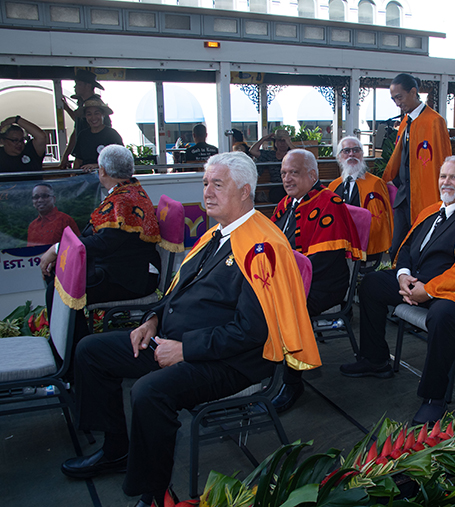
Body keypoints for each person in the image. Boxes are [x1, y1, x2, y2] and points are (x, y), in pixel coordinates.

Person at [59, 152, 320, 507]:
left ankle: (153, 494)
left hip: (231, 360)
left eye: (217, 184)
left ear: (245, 191)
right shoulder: (218, 233)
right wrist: (152, 319)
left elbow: (250, 332)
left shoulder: (263, 249)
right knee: (91, 351)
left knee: (150, 392)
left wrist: (184, 350)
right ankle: (115, 449)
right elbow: (177, 290)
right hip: (179, 341)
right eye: (205, 183)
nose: (207, 192)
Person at [341, 156, 455, 424]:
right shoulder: (432, 210)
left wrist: (428, 291)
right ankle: (376, 361)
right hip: (419, 282)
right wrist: (403, 275)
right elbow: (408, 247)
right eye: (443, 176)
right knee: (373, 284)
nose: (447, 182)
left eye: (454, 177)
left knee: (442, 316)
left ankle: (435, 398)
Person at [270, 149, 363, 412]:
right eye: (283, 174)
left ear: (312, 175)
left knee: (287, 308)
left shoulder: (328, 203)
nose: (287, 179)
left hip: (324, 284)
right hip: (290, 279)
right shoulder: (288, 203)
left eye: (294, 173)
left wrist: (281, 279)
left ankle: (292, 383)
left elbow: (320, 263)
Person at [40, 145, 160, 307]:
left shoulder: (123, 201)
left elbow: (103, 244)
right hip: (124, 267)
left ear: (102, 170)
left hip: (131, 278)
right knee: (60, 275)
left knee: (58, 289)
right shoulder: (129, 190)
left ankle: (75, 333)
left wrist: (58, 249)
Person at [383, 73, 452, 258]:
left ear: (413, 92)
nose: (397, 103)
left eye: (399, 97)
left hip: (425, 195)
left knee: (421, 245)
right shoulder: (406, 121)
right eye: (393, 99)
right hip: (405, 197)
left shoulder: (435, 121)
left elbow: (445, 161)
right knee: (396, 246)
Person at [327, 136, 393, 258]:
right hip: (338, 246)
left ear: (362, 155)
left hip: (366, 246)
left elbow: (381, 221)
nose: (352, 154)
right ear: (339, 157)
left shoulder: (375, 183)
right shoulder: (333, 186)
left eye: (356, 150)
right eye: (346, 151)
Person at [59, 69, 112, 169]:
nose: (75, 87)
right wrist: (66, 156)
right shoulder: (83, 133)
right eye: (88, 114)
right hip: (85, 163)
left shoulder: (96, 104)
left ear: (88, 85)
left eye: (78, 84)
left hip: (96, 164)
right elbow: (76, 132)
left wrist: (66, 108)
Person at [72, 97, 123, 170]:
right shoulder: (82, 135)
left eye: (97, 113)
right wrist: (74, 176)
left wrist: (97, 165)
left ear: (103, 115)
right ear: (85, 117)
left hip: (107, 176)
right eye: (89, 114)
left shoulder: (112, 134)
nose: (93, 118)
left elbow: (120, 159)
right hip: (85, 177)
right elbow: (78, 159)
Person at [250, 129, 296, 203]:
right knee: (278, 195)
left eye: (284, 141)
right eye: (279, 141)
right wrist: (263, 139)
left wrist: (289, 142)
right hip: (276, 187)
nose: (282, 143)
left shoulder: (292, 154)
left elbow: (302, 155)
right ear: (275, 143)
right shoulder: (270, 154)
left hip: (292, 184)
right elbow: (253, 151)